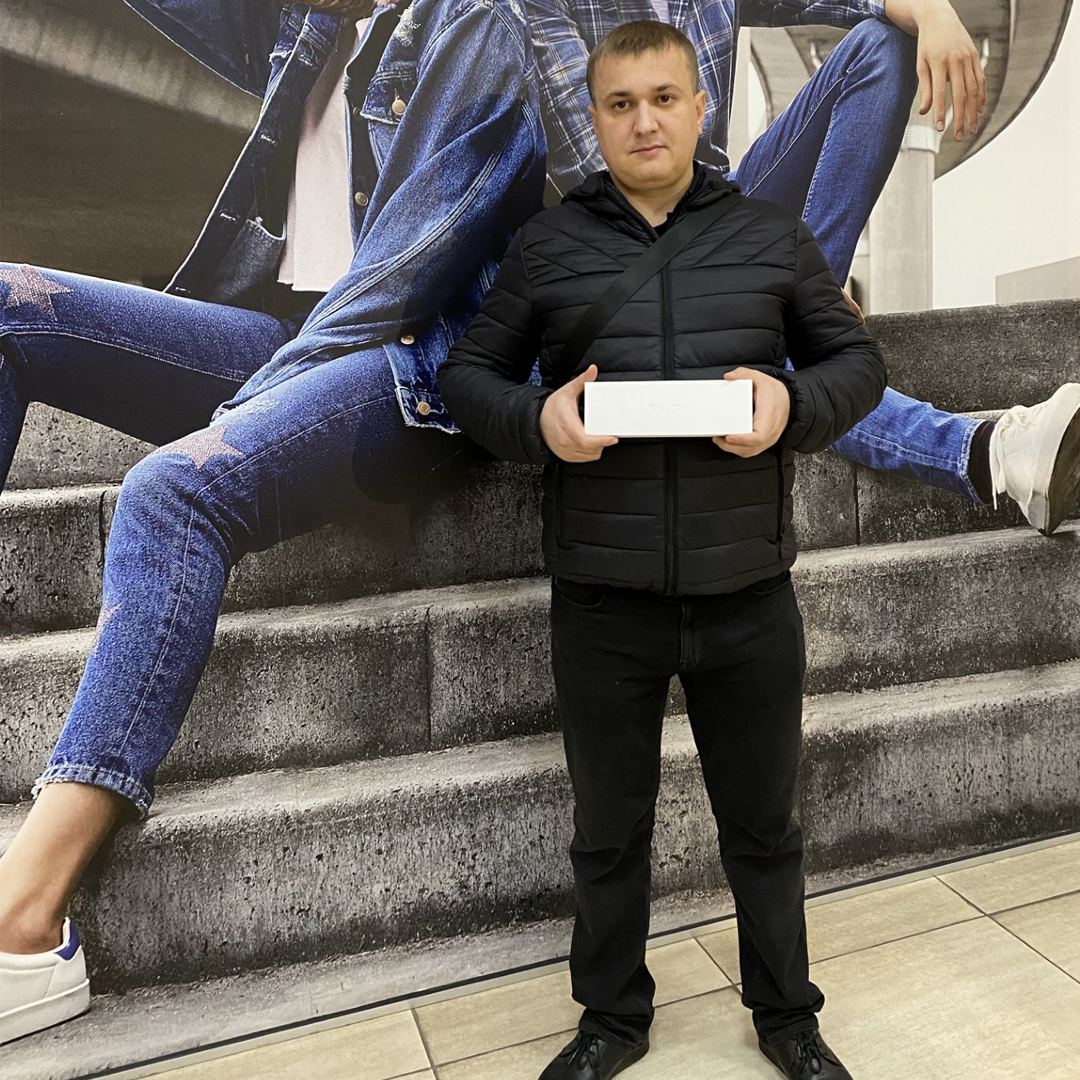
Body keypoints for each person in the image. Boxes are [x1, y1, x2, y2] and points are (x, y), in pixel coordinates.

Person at [0, 0, 545, 1046]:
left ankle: (28, 927)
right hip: (288, 337)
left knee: (173, 491)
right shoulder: (306, 24)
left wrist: (244, 418)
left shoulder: (478, 23)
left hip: (414, 368)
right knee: (11, 302)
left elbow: (401, 278)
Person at [439, 21, 887, 1080]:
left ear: (699, 107)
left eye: (663, 98)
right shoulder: (546, 246)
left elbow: (857, 365)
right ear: (594, 118)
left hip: (749, 592)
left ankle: (787, 1018)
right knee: (608, 832)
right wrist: (539, 421)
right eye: (620, 103)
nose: (644, 121)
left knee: (765, 827)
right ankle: (612, 1020)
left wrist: (790, 403)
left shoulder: (771, 236)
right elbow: (468, 377)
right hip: (603, 600)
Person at [527, 0, 1080, 534]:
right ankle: (992, 452)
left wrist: (930, 8)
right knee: (761, 346)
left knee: (881, 45)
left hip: (723, 211)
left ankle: (804, 307)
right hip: (628, 259)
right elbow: (607, 175)